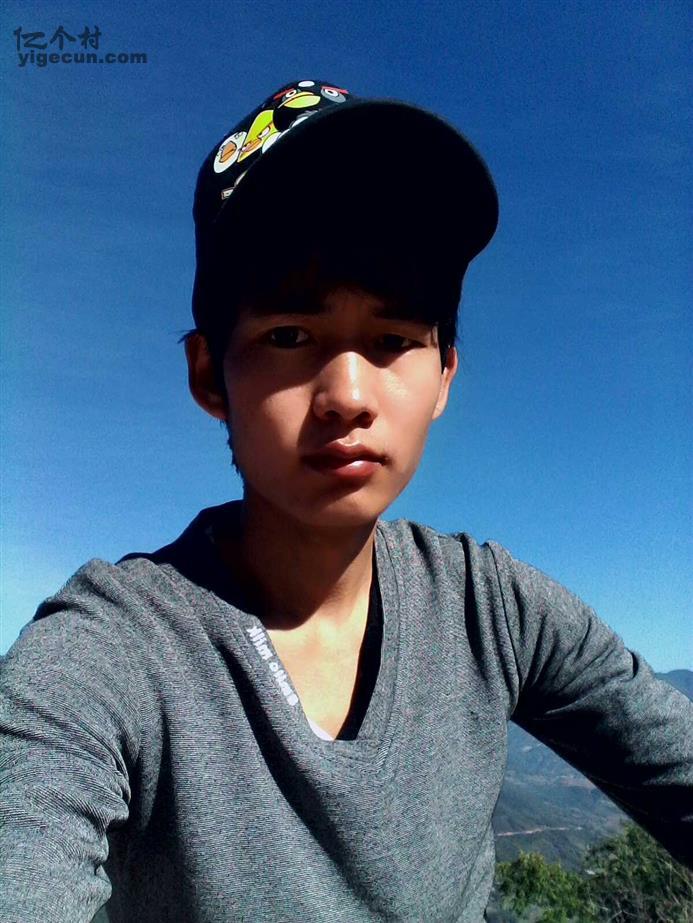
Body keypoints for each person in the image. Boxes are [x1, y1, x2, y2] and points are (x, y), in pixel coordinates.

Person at [1, 79, 691, 923]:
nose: (347, 395)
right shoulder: (112, 652)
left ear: (443, 377)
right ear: (208, 376)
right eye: (289, 335)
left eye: (393, 339)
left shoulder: (492, 609)